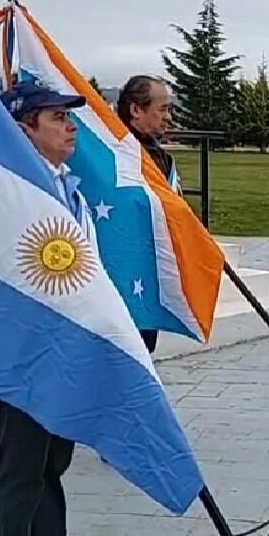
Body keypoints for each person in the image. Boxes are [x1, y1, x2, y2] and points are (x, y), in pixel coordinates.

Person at [0, 82, 110, 536]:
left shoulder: (70, 188)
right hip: (26, 353)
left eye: (70, 118)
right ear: (24, 130)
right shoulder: (9, 191)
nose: (70, 127)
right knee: (21, 466)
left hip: (67, 347)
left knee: (53, 461)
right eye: (57, 118)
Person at [116, 74, 178, 354]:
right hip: (124, 278)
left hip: (147, 276)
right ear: (136, 110)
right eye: (163, 109)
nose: (169, 118)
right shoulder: (116, 154)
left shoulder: (159, 156)